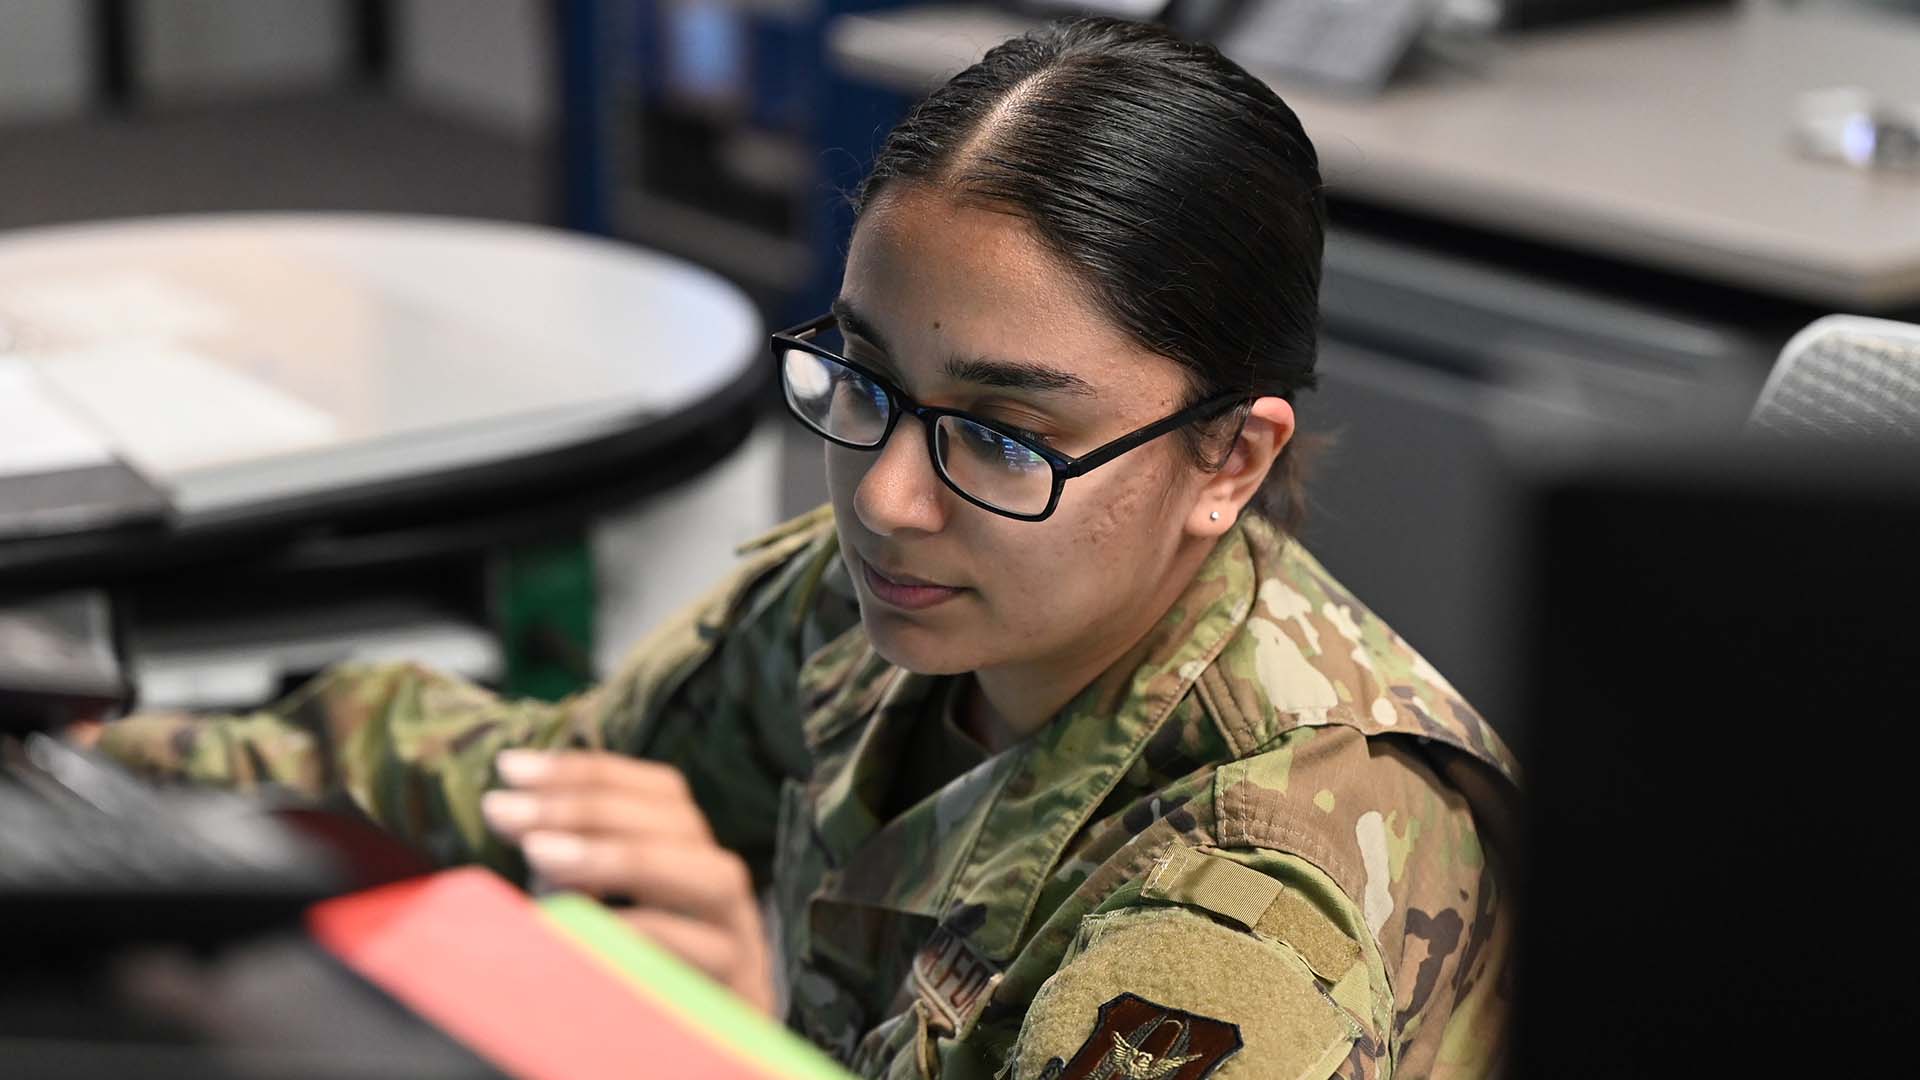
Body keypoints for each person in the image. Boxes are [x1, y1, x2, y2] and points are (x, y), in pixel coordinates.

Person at [93, 18, 1518, 1080]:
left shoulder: (1263, 899)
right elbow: (538, 782)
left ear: (1229, 461)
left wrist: (718, 1036)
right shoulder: (896, 598)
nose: (889, 495)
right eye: (865, 377)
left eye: (1006, 438)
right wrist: (96, 783)